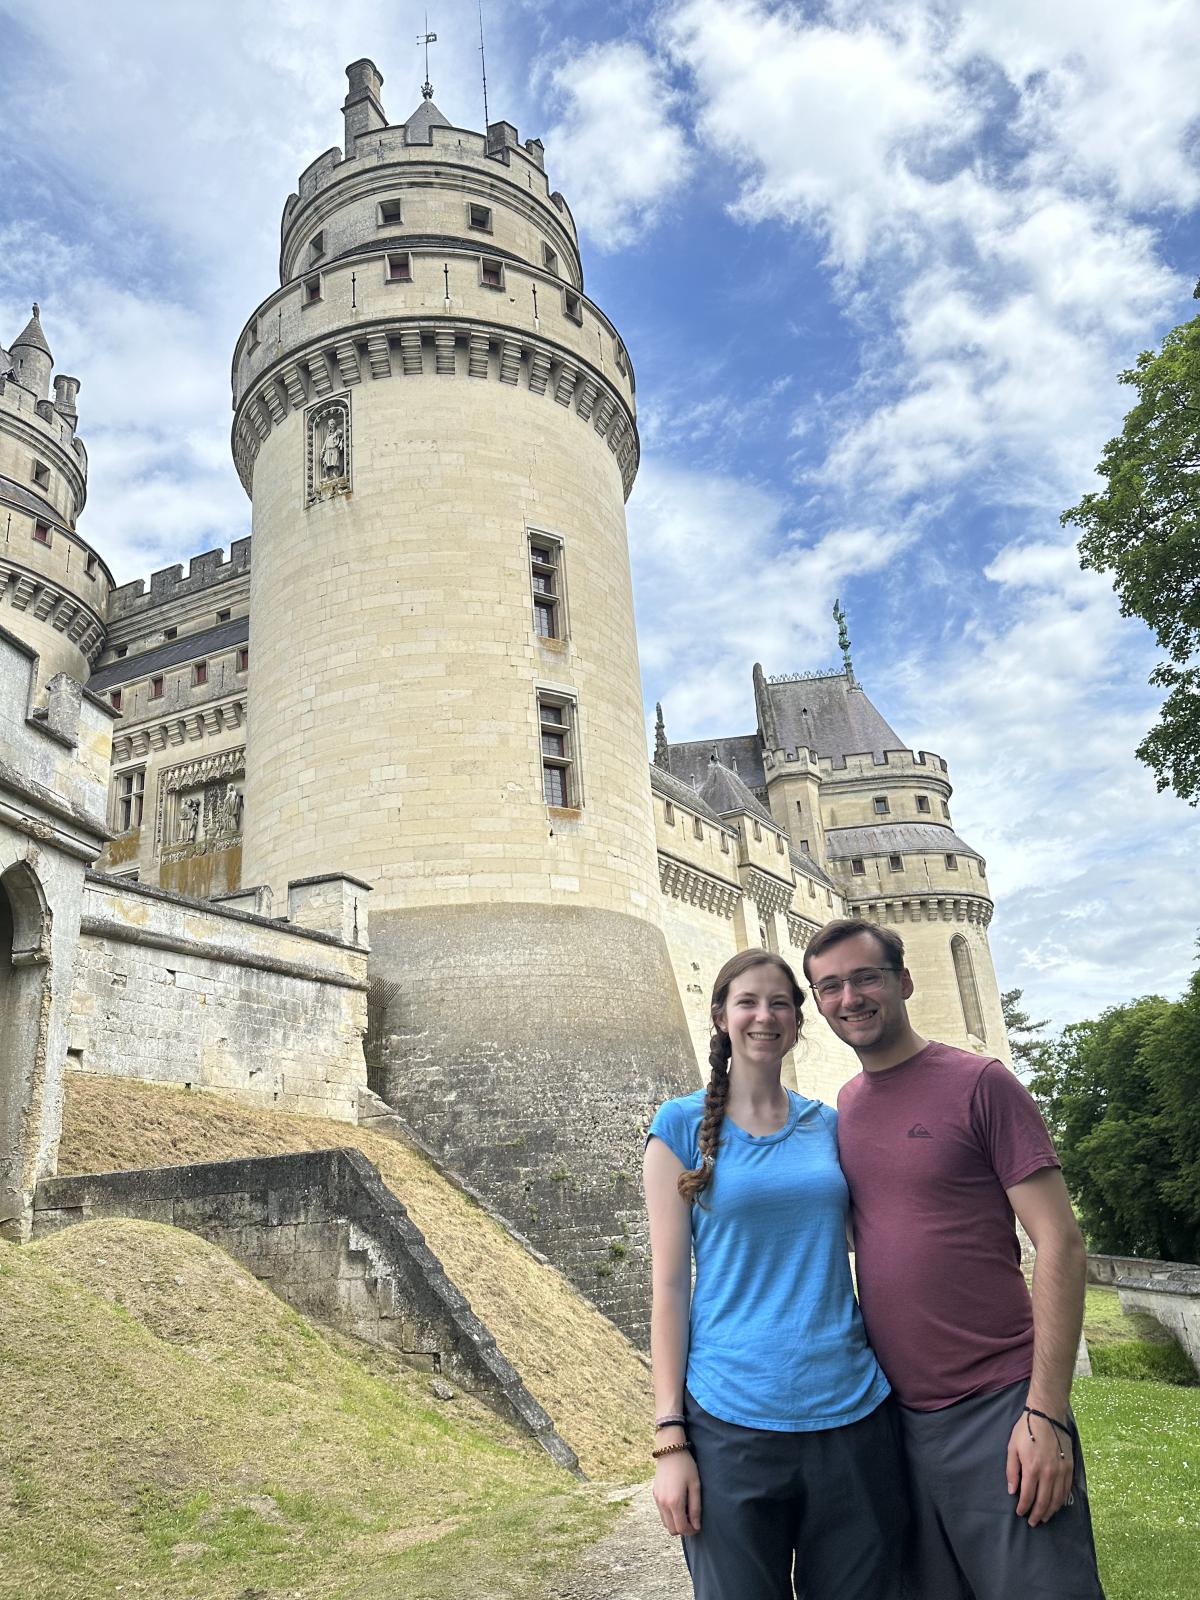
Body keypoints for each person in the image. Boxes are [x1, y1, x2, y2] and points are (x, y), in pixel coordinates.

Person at [803, 919, 1106, 1600]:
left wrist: (1047, 1412)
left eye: (866, 977)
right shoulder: (844, 1110)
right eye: (830, 986)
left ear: (904, 981)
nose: (850, 997)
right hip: (895, 1422)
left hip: (1000, 1408)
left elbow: (1060, 1240)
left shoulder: (981, 1083)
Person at [643, 947, 907, 1600]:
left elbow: (886, 1240)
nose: (766, 1016)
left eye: (781, 1003)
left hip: (851, 1416)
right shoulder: (677, 1128)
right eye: (749, 1002)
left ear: (798, 1019)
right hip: (731, 1422)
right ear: (721, 1016)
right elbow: (671, 1289)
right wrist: (670, 1439)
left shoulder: (831, 1127)